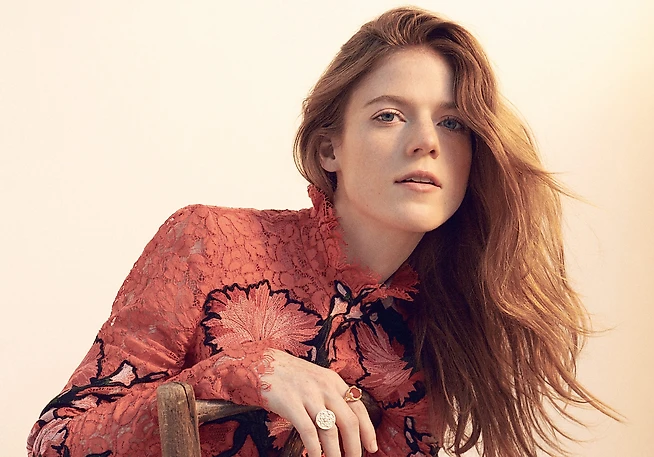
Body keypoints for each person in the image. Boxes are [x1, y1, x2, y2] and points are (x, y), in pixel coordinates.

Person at [28, 6, 618, 457]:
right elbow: (55, 440)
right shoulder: (205, 242)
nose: (426, 141)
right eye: (389, 115)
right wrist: (246, 370)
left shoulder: (444, 326)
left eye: (453, 122)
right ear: (329, 148)